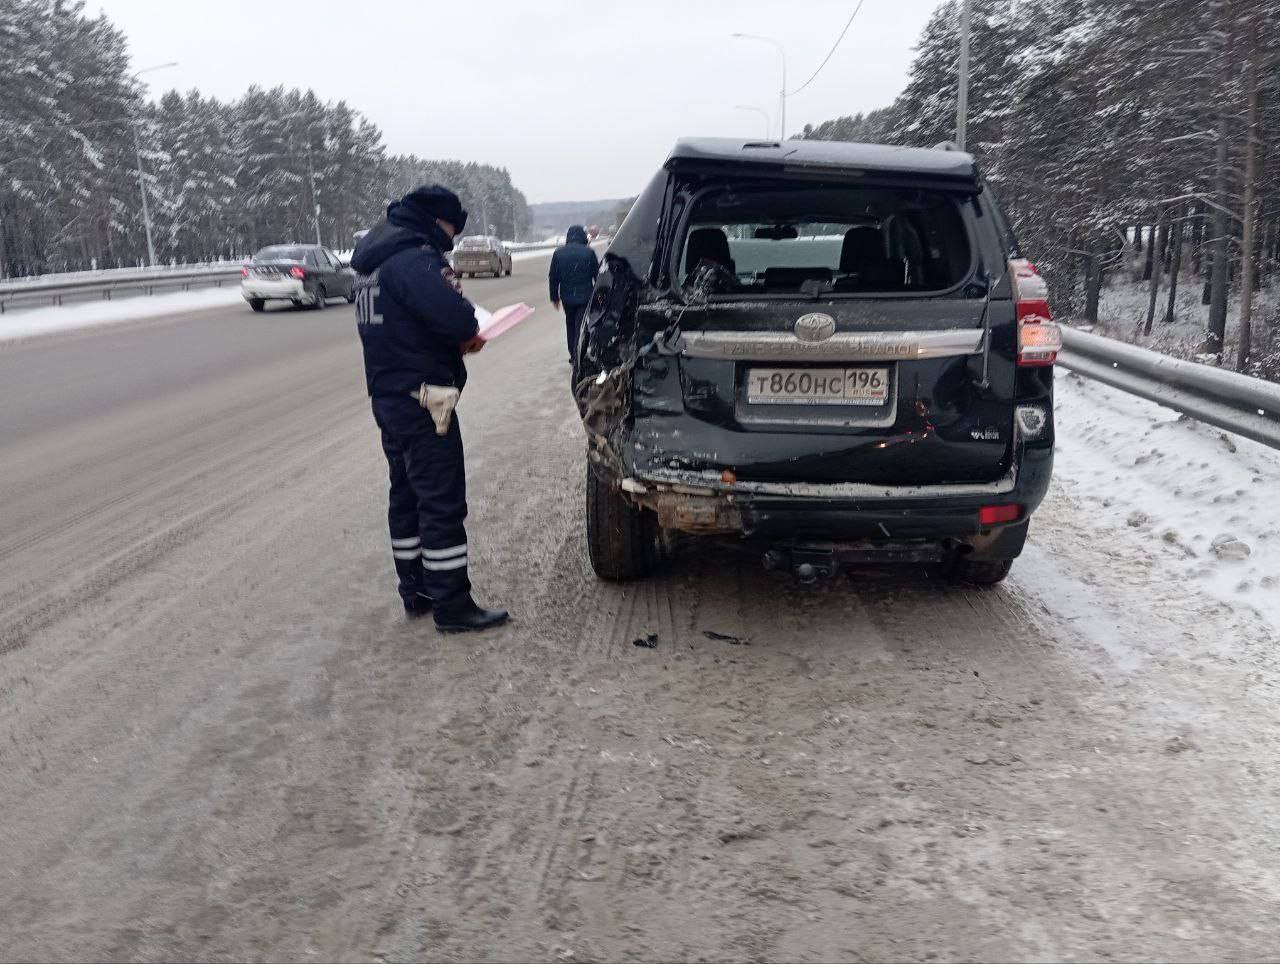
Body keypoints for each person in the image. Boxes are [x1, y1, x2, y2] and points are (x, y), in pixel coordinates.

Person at [350, 185, 508, 633]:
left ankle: (415, 589)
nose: (452, 241)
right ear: (436, 220)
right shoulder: (414, 259)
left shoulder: (372, 264)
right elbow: (457, 318)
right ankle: (453, 605)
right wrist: (466, 333)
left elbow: (402, 326)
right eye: (451, 230)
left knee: (406, 496)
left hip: (389, 395)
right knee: (440, 500)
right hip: (424, 399)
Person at [548, 224, 599, 363]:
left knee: (570, 325)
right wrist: (600, 296)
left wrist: (554, 297)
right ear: (582, 236)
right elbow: (598, 276)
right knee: (581, 326)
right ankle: (579, 354)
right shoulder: (589, 253)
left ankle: (573, 353)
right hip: (585, 296)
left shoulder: (559, 253)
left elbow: (553, 277)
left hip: (567, 298)